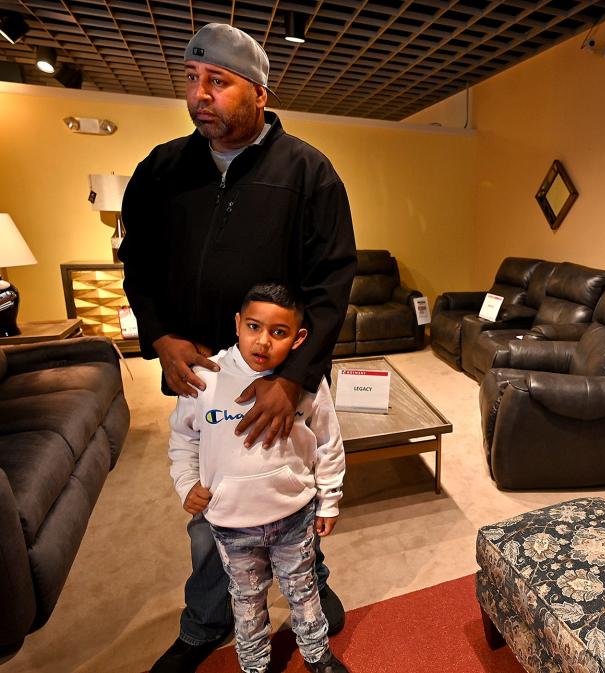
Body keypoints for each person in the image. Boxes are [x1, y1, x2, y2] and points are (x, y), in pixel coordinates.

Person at [119, 22, 357, 673]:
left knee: (291, 484)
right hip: (202, 378)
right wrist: (160, 336)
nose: (200, 95)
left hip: (280, 378)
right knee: (211, 503)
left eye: (217, 82)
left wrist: (296, 378)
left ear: (258, 90)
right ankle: (207, 617)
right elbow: (135, 263)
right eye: (192, 80)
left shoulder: (309, 172)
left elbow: (332, 283)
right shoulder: (161, 170)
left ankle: (309, 579)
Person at [169, 282, 349, 673]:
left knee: (304, 592)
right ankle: (255, 666)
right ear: (237, 323)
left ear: (299, 338)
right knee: (247, 602)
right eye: (253, 327)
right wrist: (186, 484)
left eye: (278, 332)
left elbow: (329, 443)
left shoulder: (308, 384)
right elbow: (183, 439)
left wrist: (330, 498)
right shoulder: (204, 379)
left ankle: (319, 656)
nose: (263, 342)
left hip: (294, 516)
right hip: (232, 523)